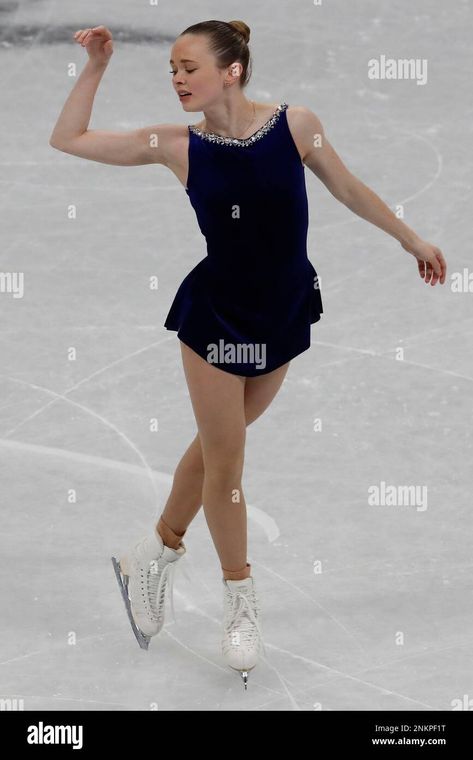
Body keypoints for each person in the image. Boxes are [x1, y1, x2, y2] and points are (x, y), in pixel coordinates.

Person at [49, 19, 447, 690]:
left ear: (231, 70)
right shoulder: (174, 145)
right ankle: (240, 600)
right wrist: (96, 68)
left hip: (284, 308)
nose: (176, 77)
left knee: (212, 450)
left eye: (188, 67)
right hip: (216, 317)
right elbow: (69, 139)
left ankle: (151, 553)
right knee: (228, 462)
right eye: (170, 68)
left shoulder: (296, 126)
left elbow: (345, 187)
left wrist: (409, 239)